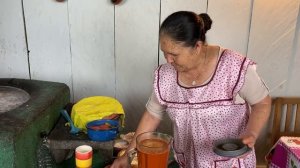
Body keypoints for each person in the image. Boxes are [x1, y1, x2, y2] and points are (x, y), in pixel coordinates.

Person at [109, 11, 271, 168]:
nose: (168, 60)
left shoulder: (232, 66)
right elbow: (152, 115)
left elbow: (262, 103)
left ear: (197, 46)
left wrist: (252, 133)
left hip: (230, 162)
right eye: (164, 53)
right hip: (188, 161)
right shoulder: (166, 74)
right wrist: (128, 156)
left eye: (174, 54)